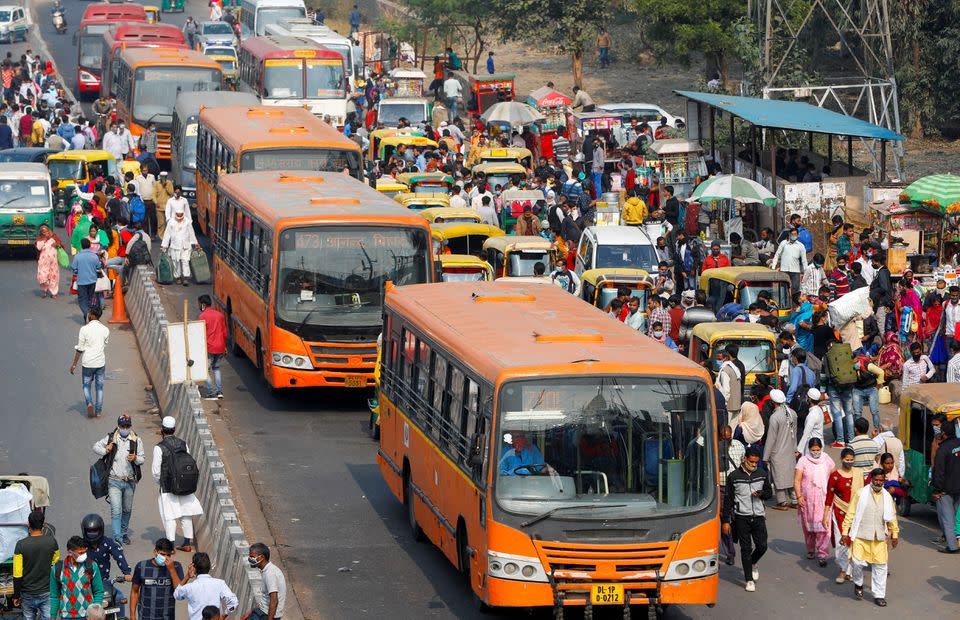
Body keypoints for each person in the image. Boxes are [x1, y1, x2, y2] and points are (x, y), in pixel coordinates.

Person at [842, 468, 899, 607]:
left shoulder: (887, 497)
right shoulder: (860, 493)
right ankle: (859, 584)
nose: (878, 483)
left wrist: (895, 534)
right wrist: (845, 532)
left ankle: (879, 595)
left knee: (881, 566)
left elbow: (892, 517)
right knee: (856, 563)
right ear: (871, 479)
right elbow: (851, 513)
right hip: (861, 536)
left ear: (884, 481)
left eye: (881, 480)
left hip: (879, 538)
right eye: (876, 480)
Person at [722, 447, 772, 592]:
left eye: (756, 462)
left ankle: (753, 562)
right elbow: (728, 500)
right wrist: (725, 520)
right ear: (745, 459)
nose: (754, 465)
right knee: (745, 548)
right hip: (741, 517)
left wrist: (762, 494)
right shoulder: (734, 476)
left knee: (762, 546)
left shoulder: (762, 474)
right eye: (751, 462)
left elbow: (769, 493)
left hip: (759, 516)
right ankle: (749, 579)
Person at [153, 416, 204, 552]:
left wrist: (161, 483)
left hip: (167, 487)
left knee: (169, 516)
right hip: (184, 484)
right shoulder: (183, 444)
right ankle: (187, 543)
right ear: (174, 429)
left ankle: (170, 547)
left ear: (162, 430)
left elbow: (155, 472)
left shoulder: (159, 448)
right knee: (186, 513)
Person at [92, 414, 145, 543]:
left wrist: (136, 458)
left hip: (130, 481)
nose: (125, 428)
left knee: (127, 510)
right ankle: (117, 537)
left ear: (130, 426)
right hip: (113, 481)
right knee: (116, 510)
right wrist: (106, 450)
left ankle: (123, 532)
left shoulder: (136, 440)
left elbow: (142, 459)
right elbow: (95, 447)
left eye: (127, 426)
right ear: (118, 426)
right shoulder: (111, 438)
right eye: (122, 426)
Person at [82, 513, 132, 618]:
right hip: (86, 584)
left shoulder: (107, 542)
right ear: (84, 531)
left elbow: (118, 555)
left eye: (95, 531)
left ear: (101, 530)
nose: (92, 534)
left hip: (105, 583)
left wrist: (126, 572)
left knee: (119, 597)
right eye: (89, 531)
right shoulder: (81, 546)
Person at [794, 437, 835, 566]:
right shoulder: (803, 461)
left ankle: (823, 554)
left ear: (821, 448)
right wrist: (799, 496)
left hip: (824, 500)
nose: (815, 452)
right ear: (809, 449)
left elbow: (834, 477)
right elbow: (797, 480)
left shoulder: (827, 459)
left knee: (823, 527)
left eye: (818, 450)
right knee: (809, 528)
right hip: (808, 500)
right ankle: (811, 549)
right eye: (813, 450)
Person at [12, 509, 59, 620]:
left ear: (29, 525)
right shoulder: (52, 542)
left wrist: (16, 595)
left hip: (27, 593)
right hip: (47, 591)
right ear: (43, 524)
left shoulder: (20, 545)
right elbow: (55, 565)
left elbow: (17, 573)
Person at [824, 448, 861, 583]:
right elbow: (829, 496)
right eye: (847, 460)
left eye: (852, 460)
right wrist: (825, 515)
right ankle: (842, 570)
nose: (849, 462)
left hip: (855, 514)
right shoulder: (835, 476)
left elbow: (862, 496)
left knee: (853, 542)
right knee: (841, 542)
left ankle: (850, 571)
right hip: (839, 513)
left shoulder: (858, 474)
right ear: (841, 459)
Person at [50, 536, 104, 620]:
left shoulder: (92, 566)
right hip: (66, 616)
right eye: (80, 553)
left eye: (84, 552)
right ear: (70, 552)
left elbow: (98, 591)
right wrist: (52, 616)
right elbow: (54, 596)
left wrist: (95, 612)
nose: (84, 555)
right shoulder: (57, 569)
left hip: (87, 615)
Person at [70, 304, 110, 418]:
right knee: (99, 387)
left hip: (87, 363)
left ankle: (89, 403)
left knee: (86, 385)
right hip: (100, 363)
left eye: (89, 313)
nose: (88, 315)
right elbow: (105, 343)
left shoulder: (84, 329)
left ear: (92, 315)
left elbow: (80, 349)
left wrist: (73, 365)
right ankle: (98, 412)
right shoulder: (105, 330)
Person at [173, 552, 239, 620]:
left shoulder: (190, 587)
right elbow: (234, 602)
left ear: (194, 567)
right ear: (209, 567)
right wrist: (224, 615)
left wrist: (187, 576)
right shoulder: (220, 583)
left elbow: (176, 594)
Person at [130, 538, 183, 620]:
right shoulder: (141, 566)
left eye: (168, 555)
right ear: (155, 552)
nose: (165, 558)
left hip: (167, 617)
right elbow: (134, 591)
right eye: (162, 554)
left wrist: (172, 570)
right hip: (145, 616)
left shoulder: (176, 567)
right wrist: (132, 616)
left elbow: (180, 592)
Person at [763, 389, 797, 509]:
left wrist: (765, 456)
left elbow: (771, 438)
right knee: (790, 476)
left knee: (778, 478)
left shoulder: (774, 417)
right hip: (790, 451)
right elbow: (795, 434)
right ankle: (794, 499)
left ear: (773, 402)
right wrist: (795, 449)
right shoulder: (792, 413)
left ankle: (782, 502)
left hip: (777, 452)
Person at [718, 425, 745, 565]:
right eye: (723, 438)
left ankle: (734, 539)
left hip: (736, 488)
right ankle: (730, 552)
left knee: (737, 519)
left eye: (728, 438)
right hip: (721, 489)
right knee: (725, 520)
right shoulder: (713, 447)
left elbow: (744, 465)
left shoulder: (739, 445)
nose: (726, 441)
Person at [244, 543, 286, 620]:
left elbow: (274, 600)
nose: (250, 559)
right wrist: (251, 611)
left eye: (252, 557)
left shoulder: (270, 574)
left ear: (261, 557)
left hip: (266, 615)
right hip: (262, 611)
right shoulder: (266, 571)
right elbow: (265, 597)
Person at [161, 204, 199, 286]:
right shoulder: (171, 222)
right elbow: (167, 234)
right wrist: (164, 245)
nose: (179, 216)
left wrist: (195, 243)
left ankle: (185, 277)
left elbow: (191, 232)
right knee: (176, 262)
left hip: (185, 246)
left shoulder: (187, 221)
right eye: (178, 215)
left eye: (181, 215)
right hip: (175, 246)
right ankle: (178, 277)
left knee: (185, 261)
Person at [198, 295, 227, 400]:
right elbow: (224, 333)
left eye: (199, 304)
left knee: (204, 370)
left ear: (203, 304)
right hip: (220, 346)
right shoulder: (220, 315)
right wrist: (224, 346)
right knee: (216, 368)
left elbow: (201, 334)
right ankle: (220, 391)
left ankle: (211, 391)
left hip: (209, 347)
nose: (199, 305)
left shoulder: (202, 317)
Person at [770, 228, 808, 294]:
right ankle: (783, 303)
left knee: (795, 289)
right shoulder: (783, 243)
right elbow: (777, 255)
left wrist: (806, 271)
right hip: (784, 270)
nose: (793, 236)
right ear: (789, 235)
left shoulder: (801, 246)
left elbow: (804, 260)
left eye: (795, 234)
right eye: (792, 234)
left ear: (798, 235)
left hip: (795, 271)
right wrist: (773, 267)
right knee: (783, 289)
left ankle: (794, 304)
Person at [71, 237, 102, 318]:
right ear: (89, 245)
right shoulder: (94, 256)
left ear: (82, 246)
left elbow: (73, 267)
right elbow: (98, 267)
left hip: (81, 281)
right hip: (92, 281)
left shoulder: (78, 256)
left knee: (82, 299)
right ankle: (90, 313)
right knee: (90, 298)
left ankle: (87, 312)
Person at [36, 223, 64, 298]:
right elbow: (38, 248)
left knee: (54, 276)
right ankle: (44, 290)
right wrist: (45, 240)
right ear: (41, 232)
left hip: (53, 262)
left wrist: (57, 245)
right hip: (43, 262)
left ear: (49, 231)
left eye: (47, 231)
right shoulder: (40, 239)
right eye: (43, 232)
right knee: (43, 276)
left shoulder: (54, 237)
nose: (46, 233)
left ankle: (54, 293)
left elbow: (60, 245)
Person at [714, 347, 742, 414]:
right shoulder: (735, 369)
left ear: (725, 358)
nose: (718, 361)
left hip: (728, 407)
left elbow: (726, 391)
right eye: (717, 359)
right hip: (736, 405)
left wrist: (724, 404)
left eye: (719, 359)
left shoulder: (725, 370)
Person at [797, 388, 824, 456]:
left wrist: (799, 450)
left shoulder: (812, 415)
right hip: (819, 443)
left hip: (813, 445)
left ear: (809, 399)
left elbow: (806, 434)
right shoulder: (818, 410)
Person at [154, 172, 174, 240]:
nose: (163, 178)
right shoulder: (156, 183)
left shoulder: (169, 183)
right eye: (162, 176)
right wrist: (156, 202)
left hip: (168, 206)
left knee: (169, 222)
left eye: (164, 176)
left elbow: (171, 193)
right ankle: (162, 237)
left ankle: (169, 236)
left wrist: (166, 186)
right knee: (161, 223)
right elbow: (153, 194)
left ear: (166, 176)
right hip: (159, 206)